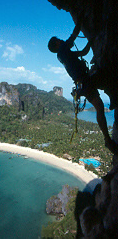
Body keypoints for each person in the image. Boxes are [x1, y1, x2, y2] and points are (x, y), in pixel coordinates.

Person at [48, 20, 118, 155]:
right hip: (86, 81)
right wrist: (80, 21)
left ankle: (107, 139)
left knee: (100, 103)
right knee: (100, 104)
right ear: (56, 43)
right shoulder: (63, 50)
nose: (61, 40)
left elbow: (84, 52)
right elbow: (73, 36)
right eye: (58, 40)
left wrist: (91, 41)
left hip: (84, 82)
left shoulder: (63, 55)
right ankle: (107, 139)